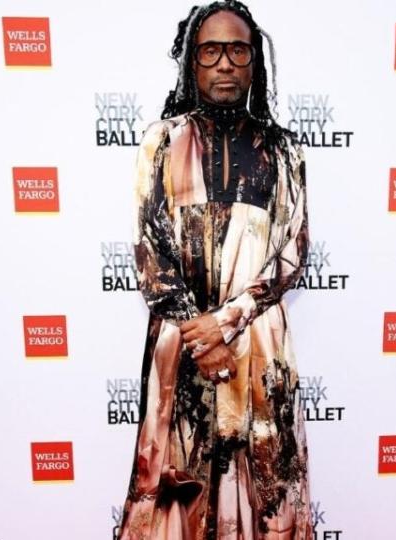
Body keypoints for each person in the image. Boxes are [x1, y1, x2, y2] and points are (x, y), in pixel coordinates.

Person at [117, 2, 311, 538]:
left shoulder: (283, 150)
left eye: (238, 50)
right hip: (181, 347)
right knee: (179, 486)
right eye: (211, 50)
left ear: (254, 64)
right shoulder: (162, 141)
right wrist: (200, 336)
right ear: (191, 63)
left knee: (264, 487)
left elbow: (292, 251)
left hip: (257, 346)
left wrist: (226, 324)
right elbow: (151, 252)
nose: (225, 63)